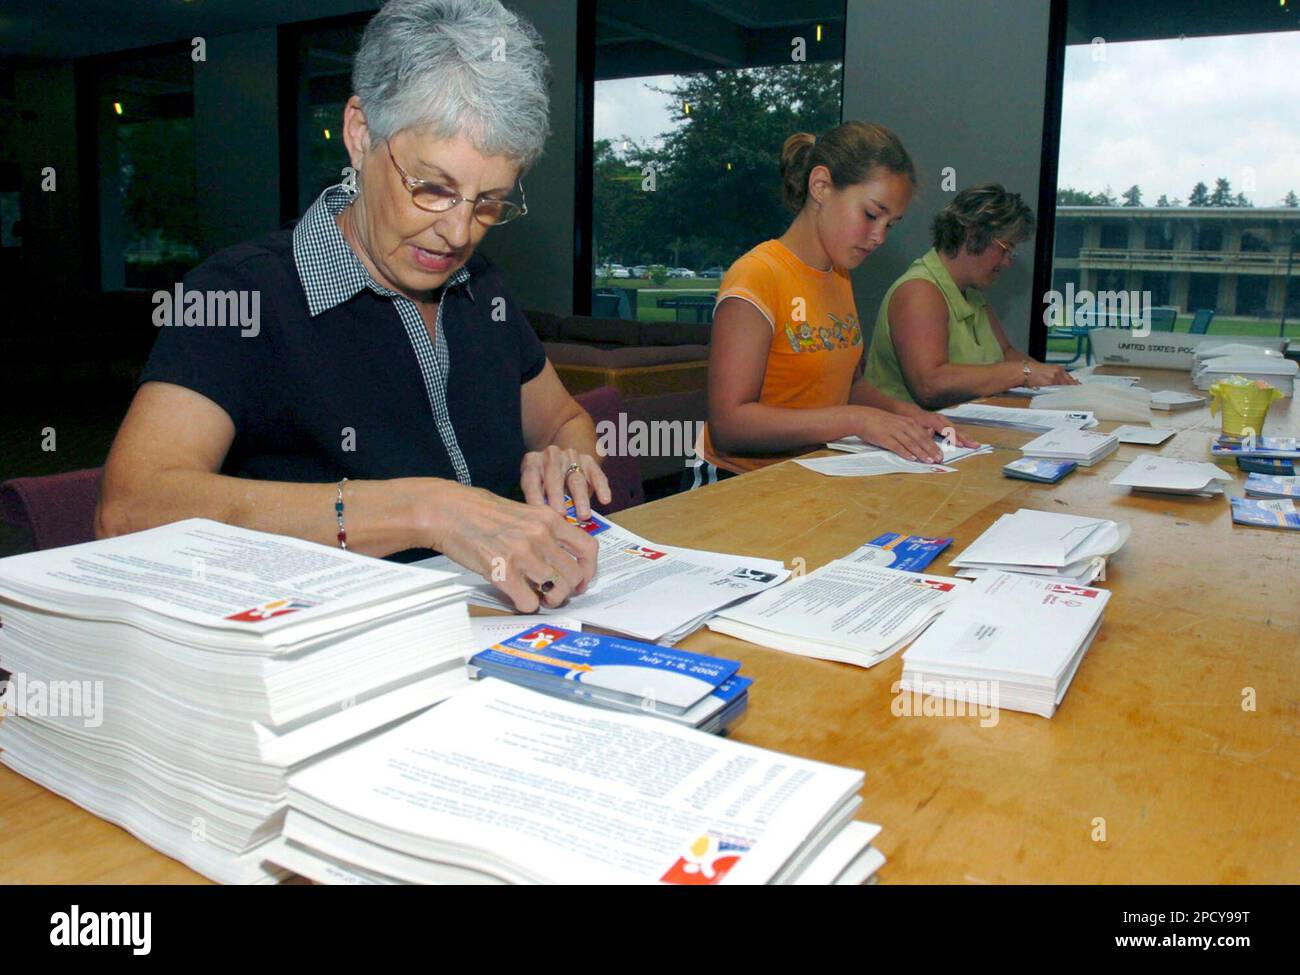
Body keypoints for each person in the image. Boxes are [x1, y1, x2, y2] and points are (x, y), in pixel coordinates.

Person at [96, 0, 609, 613]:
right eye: (434, 188)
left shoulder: (482, 289)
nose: (459, 232)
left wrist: (567, 458)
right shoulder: (243, 294)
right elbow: (129, 509)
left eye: (489, 203)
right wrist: (427, 510)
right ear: (361, 134)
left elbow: (562, 421)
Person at [696, 122, 973, 485]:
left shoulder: (839, 274)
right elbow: (731, 425)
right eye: (872, 215)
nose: (879, 237)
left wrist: (906, 415)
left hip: (811, 473)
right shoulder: (757, 275)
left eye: (891, 224)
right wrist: (856, 419)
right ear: (821, 186)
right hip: (739, 483)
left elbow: (847, 385)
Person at [864, 183, 1076, 409]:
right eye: (1005, 248)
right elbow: (930, 385)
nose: (1007, 261)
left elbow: (1006, 354)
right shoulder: (919, 291)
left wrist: (1056, 381)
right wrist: (1021, 373)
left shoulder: (971, 293)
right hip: (907, 432)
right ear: (972, 235)